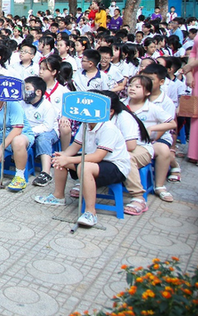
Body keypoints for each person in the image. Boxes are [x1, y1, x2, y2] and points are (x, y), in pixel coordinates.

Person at [34, 91, 131, 229]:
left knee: (84, 167)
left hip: (115, 166)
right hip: (93, 160)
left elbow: (98, 156)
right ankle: (58, 196)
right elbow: (75, 146)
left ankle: (90, 212)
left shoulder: (108, 128)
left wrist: (69, 159)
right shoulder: (86, 124)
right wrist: (64, 156)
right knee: (60, 158)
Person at [180, 26, 198, 166]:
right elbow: (194, 51)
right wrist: (189, 74)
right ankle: (195, 152)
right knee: (196, 112)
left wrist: (189, 67)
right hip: (197, 73)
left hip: (197, 69)